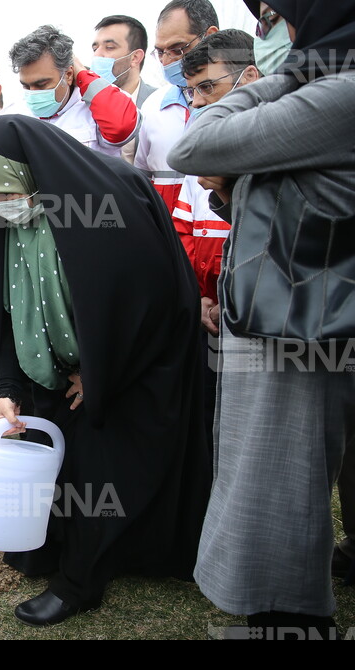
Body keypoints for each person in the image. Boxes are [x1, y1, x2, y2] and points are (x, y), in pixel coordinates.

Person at [0, 114, 209, 626]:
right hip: (53, 367)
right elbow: (5, 308)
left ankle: (81, 581)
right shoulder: (5, 219)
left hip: (132, 366)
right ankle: (58, 549)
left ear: (32, 171)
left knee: (104, 468)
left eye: (6, 190)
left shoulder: (108, 200)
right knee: (62, 469)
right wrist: (9, 384)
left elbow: (152, 301)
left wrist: (102, 371)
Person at [168, 0, 355, 636]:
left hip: (299, 324)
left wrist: (280, 77)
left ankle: (289, 617)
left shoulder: (339, 93)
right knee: (271, 473)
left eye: (276, 19)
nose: (266, 35)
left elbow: (194, 144)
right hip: (285, 310)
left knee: (278, 478)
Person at [174, 30, 259, 440]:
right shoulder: (202, 149)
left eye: (208, 86)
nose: (198, 101)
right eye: (191, 91)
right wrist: (204, 294)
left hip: (273, 327)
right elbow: (184, 230)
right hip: (214, 315)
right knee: (216, 421)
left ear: (251, 78)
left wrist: (228, 190)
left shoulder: (284, 143)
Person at [4, 25, 140, 157]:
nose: (33, 93)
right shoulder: (14, 113)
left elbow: (121, 128)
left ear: (68, 74)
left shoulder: (97, 109)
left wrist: (82, 73)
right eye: (26, 86)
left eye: (42, 84)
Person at [134, 0, 219, 211]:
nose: (166, 61)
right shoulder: (152, 106)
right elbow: (142, 180)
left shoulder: (244, 100)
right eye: (160, 52)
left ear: (210, 36)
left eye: (177, 49)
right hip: (167, 235)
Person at [90, 15, 155, 163]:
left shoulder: (158, 104)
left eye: (109, 47)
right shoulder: (83, 104)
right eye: (95, 48)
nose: (97, 54)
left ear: (135, 58)